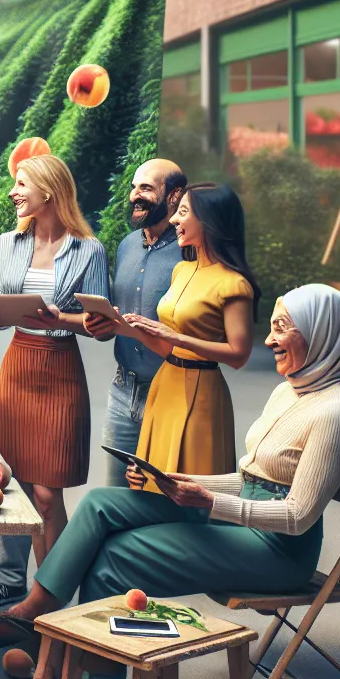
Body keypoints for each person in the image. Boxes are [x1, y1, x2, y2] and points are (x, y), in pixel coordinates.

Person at [0, 285, 340, 679]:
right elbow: (251, 478)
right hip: (239, 514)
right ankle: (38, 615)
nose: (269, 340)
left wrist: (210, 501)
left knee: (116, 556)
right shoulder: (293, 389)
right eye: (272, 326)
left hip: (277, 552)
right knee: (100, 503)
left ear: (325, 334)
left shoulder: (339, 411)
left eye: (283, 329)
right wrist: (185, 484)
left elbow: (299, 514)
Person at [0, 154, 109, 615]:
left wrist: (61, 317)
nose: (13, 192)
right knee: (17, 484)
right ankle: (12, 584)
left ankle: (49, 602)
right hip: (18, 366)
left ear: (48, 191)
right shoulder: (8, 242)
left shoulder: (89, 249)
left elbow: (100, 324)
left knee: (48, 495)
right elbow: (0, 309)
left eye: (21, 183)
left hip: (59, 367)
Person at [122, 183, 259, 491]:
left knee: (187, 488)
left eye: (182, 212)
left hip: (202, 394)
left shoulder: (234, 284)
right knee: (150, 482)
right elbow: (165, 345)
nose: (173, 220)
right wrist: (123, 326)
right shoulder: (182, 270)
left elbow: (239, 354)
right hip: (165, 383)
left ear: (209, 220)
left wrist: (179, 338)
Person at [95, 159, 187, 489]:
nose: (136, 195)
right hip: (122, 390)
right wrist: (102, 325)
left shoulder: (190, 250)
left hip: (171, 394)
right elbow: (119, 317)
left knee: (157, 498)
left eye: (146, 188)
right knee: (114, 494)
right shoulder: (126, 246)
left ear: (175, 196)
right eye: (134, 187)